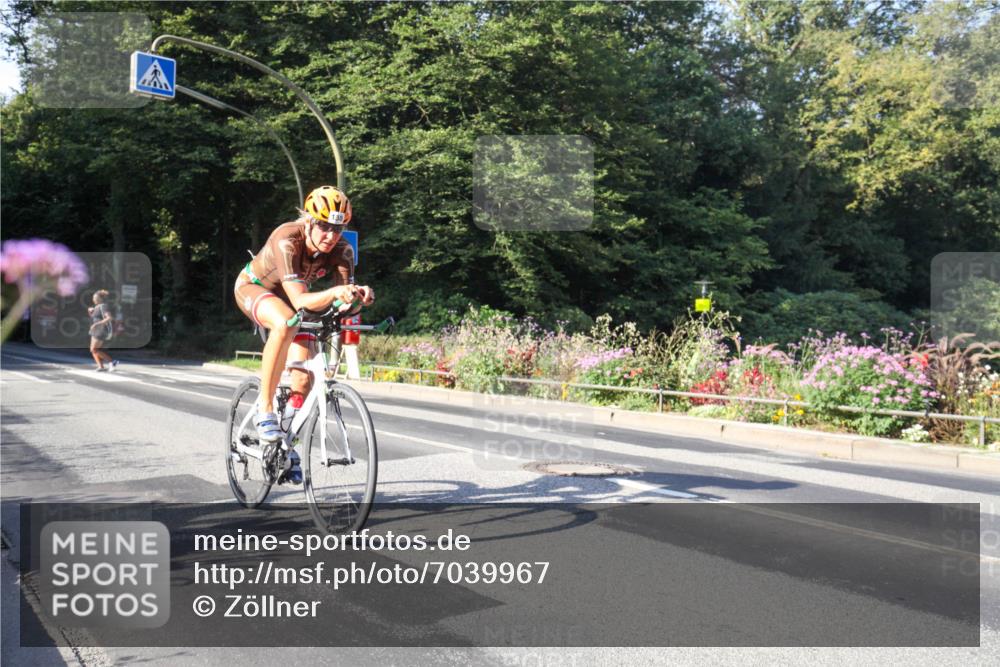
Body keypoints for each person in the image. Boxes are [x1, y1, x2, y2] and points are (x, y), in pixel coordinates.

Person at [234, 186, 374, 483]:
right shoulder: (287, 238)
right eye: (323, 226)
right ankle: (266, 409)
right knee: (285, 322)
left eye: (338, 228)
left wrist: (356, 297)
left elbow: (339, 302)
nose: (330, 235)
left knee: (303, 379)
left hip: (298, 300)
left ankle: (286, 444)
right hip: (256, 288)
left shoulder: (342, 250)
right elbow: (298, 302)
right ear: (308, 221)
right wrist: (336, 292)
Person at [88, 290, 119, 372]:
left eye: (95, 298)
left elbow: (109, 318)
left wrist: (96, 324)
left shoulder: (103, 306)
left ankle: (112, 362)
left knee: (94, 349)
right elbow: (95, 318)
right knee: (93, 349)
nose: (93, 299)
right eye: (93, 298)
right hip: (95, 330)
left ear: (100, 298)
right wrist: (90, 312)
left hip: (101, 330)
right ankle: (100, 366)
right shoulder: (96, 307)